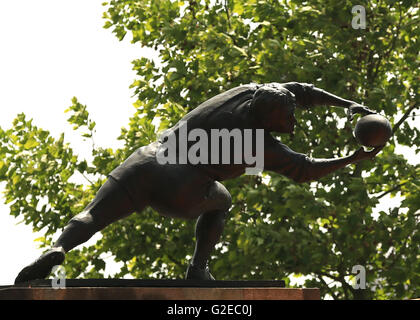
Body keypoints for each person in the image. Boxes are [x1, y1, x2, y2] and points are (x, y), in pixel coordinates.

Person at [14, 82, 382, 283]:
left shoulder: (248, 92)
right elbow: (307, 170)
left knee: (94, 214)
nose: (294, 120)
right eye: (288, 118)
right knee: (221, 201)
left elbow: (299, 91)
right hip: (184, 185)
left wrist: (346, 103)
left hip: (148, 158)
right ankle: (198, 268)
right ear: (269, 120)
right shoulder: (260, 146)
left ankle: (60, 247)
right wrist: (355, 158)